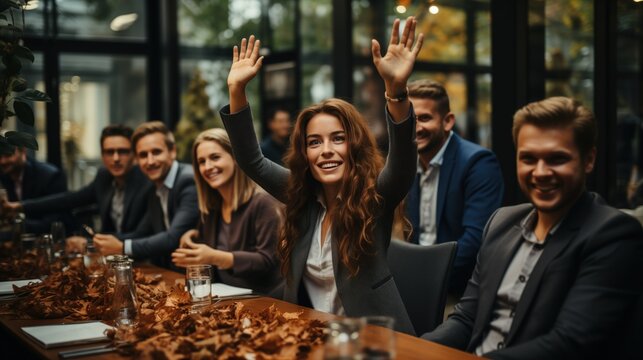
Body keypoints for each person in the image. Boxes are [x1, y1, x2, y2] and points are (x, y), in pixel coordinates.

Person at [221, 17, 424, 334]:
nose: (326, 150)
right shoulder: (300, 194)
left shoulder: (374, 199)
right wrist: (237, 90)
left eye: (338, 139)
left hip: (376, 341)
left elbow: (401, 165)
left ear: (354, 146)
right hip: (310, 337)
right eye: (314, 142)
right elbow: (252, 160)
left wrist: (396, 92)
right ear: (305, 153)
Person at [422, 97, 643, 359]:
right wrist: (418, 350)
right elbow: (467, 319)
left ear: (589, 160)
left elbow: (569, 344)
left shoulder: (614, 235)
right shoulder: (501, 223)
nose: (540, 172)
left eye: (557, 159)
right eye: (528, 158)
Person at [404, 80, 504, 295]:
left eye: (424, 118)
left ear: (448, 121)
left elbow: (474, 241)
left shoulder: (478, 163)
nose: (415, 127)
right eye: (410, 119)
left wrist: (424, 279)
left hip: (461, 291)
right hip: (416, 284)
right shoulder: (407, 164)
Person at [171, 128, 283, 295]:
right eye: (201, 161)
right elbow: (207, 251)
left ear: (236, 158)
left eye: (215, 157)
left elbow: (267, 261)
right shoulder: (212, 207)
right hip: (224, 300)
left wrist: (214, 257)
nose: (208, 167)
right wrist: (193, 237)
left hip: (265, 302)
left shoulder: (263, 202)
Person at [3, 125, 152, 237]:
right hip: (114, 258)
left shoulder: (147, 181)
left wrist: (93, 240)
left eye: (123, 151)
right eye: (109, 152)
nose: (116, 158)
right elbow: (69, 199)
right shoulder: (104, 176)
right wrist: (20, 207)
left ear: (134, 154)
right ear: (102, 155)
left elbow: (145, 233)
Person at [93, 121, 199, 269]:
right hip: (170, 272)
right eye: (143, 155)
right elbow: (142, 233)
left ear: (173, 151)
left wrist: (123, 247)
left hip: (203, 276)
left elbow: (173, 237)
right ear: (136, 159)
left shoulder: (187, 180)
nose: (150, 161)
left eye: (156, 152)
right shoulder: (153, 186)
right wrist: (92, 241)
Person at [0, 146, 71, 233]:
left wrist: (15, 220)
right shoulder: (4, 175)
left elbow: (54, 223)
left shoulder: (50, 176)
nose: (2, 161)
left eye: (8, 155)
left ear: (23, 151)